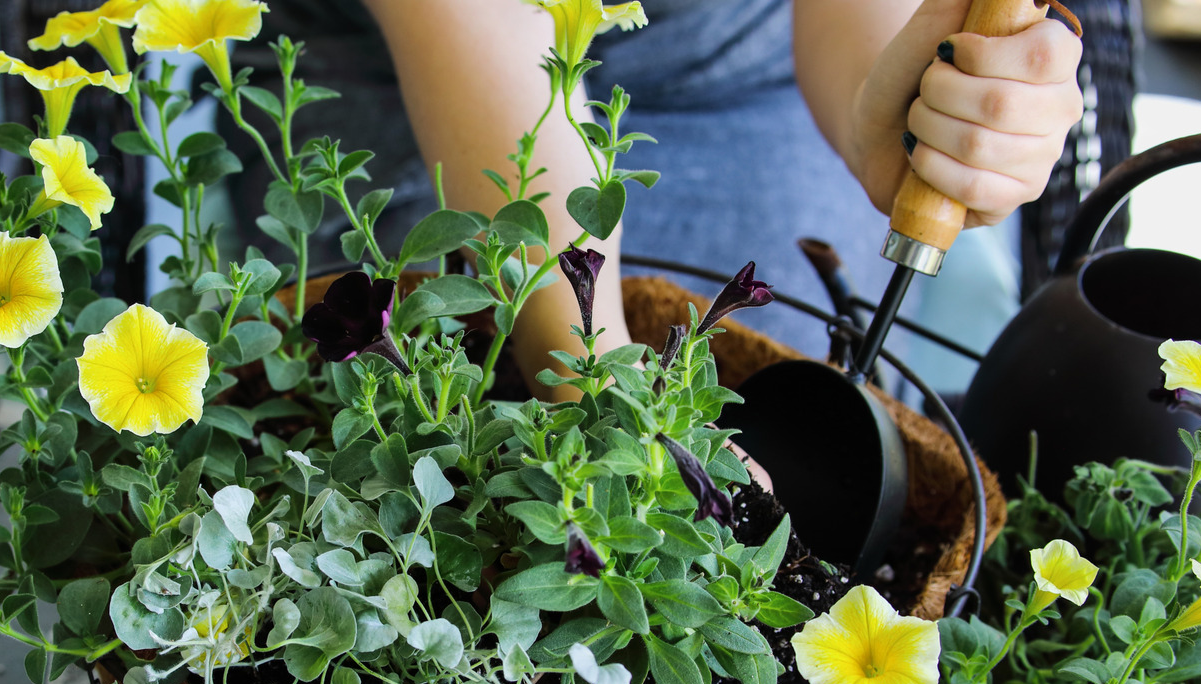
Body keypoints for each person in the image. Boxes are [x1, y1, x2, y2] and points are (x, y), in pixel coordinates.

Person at [226, 0, 1084, 395]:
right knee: (409, 392)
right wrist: (599, 386)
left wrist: (886, 102)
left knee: (777, 402)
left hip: (733, 60)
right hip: (405, 60)